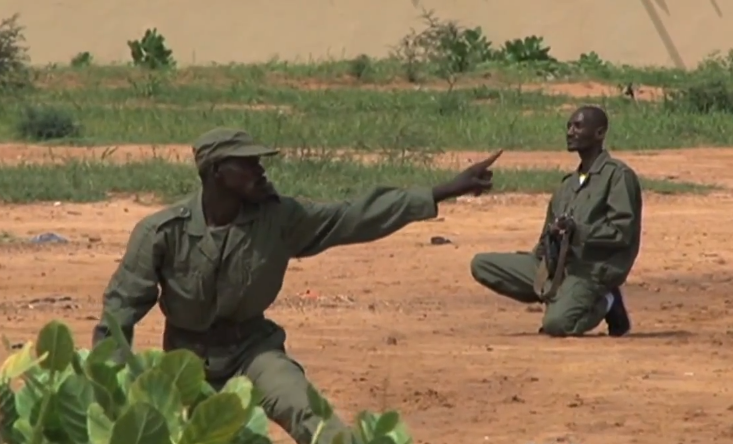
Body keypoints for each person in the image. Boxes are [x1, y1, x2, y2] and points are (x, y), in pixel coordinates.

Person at [92, 127, 504, 444]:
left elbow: (354, 216)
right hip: (184, 361)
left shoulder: (280, 219)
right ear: (217, 171)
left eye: (259, 162)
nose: (260, 169)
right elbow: (120, 310)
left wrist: (444, 190)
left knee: (310, 415)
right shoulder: (162, 232)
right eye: (247, 163)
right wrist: (105, 387)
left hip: (253, 351)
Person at [470, 105, 642, 338]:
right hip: (557, 267)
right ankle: (563, 296)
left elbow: (623, 232)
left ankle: (607, 301)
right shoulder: (567, 185)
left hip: (590, 271)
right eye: (568, 126)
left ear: (599, 133)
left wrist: (579, 232)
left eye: (578, 126)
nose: (570, 132)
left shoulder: (617, 176)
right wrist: (544, 256)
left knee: (557, 325)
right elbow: (545, 237)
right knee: (482, 265)